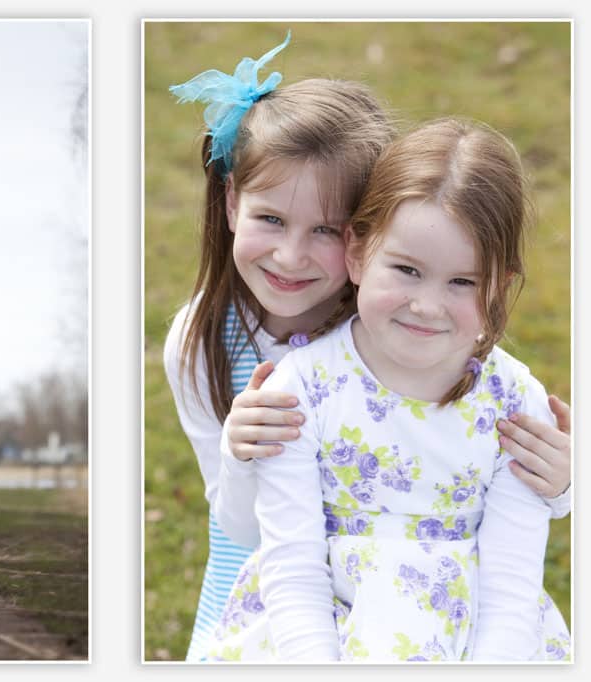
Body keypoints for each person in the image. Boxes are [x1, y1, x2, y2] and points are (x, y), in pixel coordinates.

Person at [163, 36, 572, 661]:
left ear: (358, 237)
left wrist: (564, 487)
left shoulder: (400, 324)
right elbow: (241, 526)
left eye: (324, 229)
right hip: (272, 586)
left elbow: (494, 488)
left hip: (442, 618)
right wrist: (237, 448)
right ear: (231, 203)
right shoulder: (206, 345)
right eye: (271, 219)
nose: (292, 257)